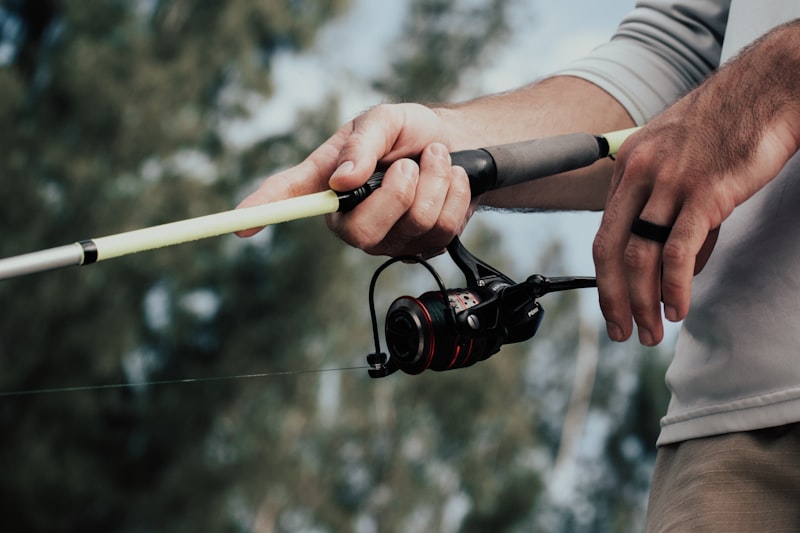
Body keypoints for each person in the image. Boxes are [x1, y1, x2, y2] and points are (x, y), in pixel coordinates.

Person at [238, 1, 800, 530]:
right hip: (727, 434)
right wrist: (449, 152)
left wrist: (781, 72)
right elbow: (674, 61)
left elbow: (745, 86)